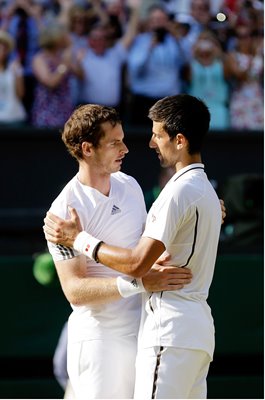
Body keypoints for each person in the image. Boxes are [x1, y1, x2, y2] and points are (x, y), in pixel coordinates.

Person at [44, 94, 224, 399]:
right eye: (115, 143)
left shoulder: (129, 185)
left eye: (123, 139)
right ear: (88, 149)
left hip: (145, 332)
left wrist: (200, 213)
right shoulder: (63, 214)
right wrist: (138, 283)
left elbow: (150, 245)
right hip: (98, 340)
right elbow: (75, 290)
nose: (126, 149)